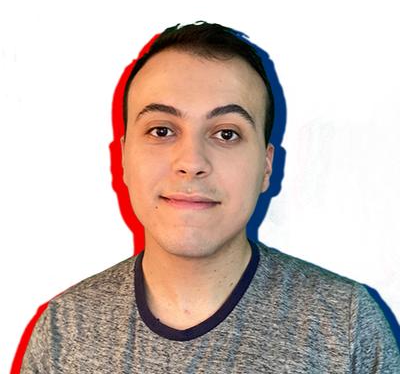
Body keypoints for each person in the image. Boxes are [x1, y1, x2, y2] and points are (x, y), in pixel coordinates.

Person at [20, 21, 399, 373]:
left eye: (226, 134)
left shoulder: (347, 327)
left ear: (266, 167)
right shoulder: (63, 334)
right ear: (122, 159)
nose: (191, 162)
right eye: (162, 130)